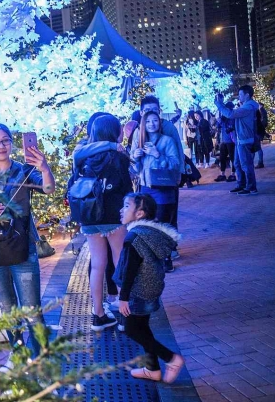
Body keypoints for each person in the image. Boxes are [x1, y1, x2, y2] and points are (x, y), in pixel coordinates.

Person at [0, 123, 55, 356]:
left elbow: (48, 188)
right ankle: (19, 360)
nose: (1, 146)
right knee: (7, 310)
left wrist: (45, 167)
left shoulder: (23, 171)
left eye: (5, 140)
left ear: (12, 143)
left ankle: (42, 361)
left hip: (22, 249)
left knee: (31, 311)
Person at [114, 193, 184, 383]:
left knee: (132, 330)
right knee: (142, 328)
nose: (122, 209)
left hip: (138, 292)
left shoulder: (133, 238)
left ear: (139, 214)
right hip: (151, 289)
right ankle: (152, 369)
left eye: (127, 206)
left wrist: (123, 297)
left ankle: (171, 358)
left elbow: (130, 270)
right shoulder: (150, 234)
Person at [71, 115, 132, 331]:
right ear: (115, 132)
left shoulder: (82, 156)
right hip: (113, 216)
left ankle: (98, 314)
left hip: (88, 215)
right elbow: (127, 189)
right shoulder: (118, 156)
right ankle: (126, 317)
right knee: (120, 262)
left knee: (98, 264)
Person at [131, 96, 184, 264]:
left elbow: (177, 158)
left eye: (155, 113)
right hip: (146, 185)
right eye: (147, 113)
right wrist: (135, 157)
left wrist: (177, 174)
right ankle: (156, 254)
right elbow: (134, 164)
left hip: (165, 183)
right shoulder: (139, 135)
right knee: (149, 221)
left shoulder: (168, 130)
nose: (151, 120)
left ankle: (168, 253)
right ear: (141, 114)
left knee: (166, 219)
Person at [214, 86, 260, 195]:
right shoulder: (246, 106)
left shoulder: (249, 107)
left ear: (247, 94)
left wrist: (219, 105)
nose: (239, 97)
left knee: (246, 164)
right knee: (238, 164)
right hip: (240, 139)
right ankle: (241, 185)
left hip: (245, 139)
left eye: (240, 94)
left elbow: (231, 114)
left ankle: (251, 187)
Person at [214, 106, 237, 183]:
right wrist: (219, 121)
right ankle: (222, 174)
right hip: (223, 141)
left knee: (232, 158)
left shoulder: (232, 117)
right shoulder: (223, 117)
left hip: (231, 141)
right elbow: (217, 126)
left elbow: (231, 127)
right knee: (222, 158)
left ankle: (233, 174)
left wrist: (224, 122)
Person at [255, 104, 268, 169]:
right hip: (259, 134)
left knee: (258, 148)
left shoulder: (256, 121)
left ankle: (260, 162)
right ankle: (260, 162)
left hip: (258, 134)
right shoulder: (258, 120)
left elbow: (260, 127)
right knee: (258, 148)